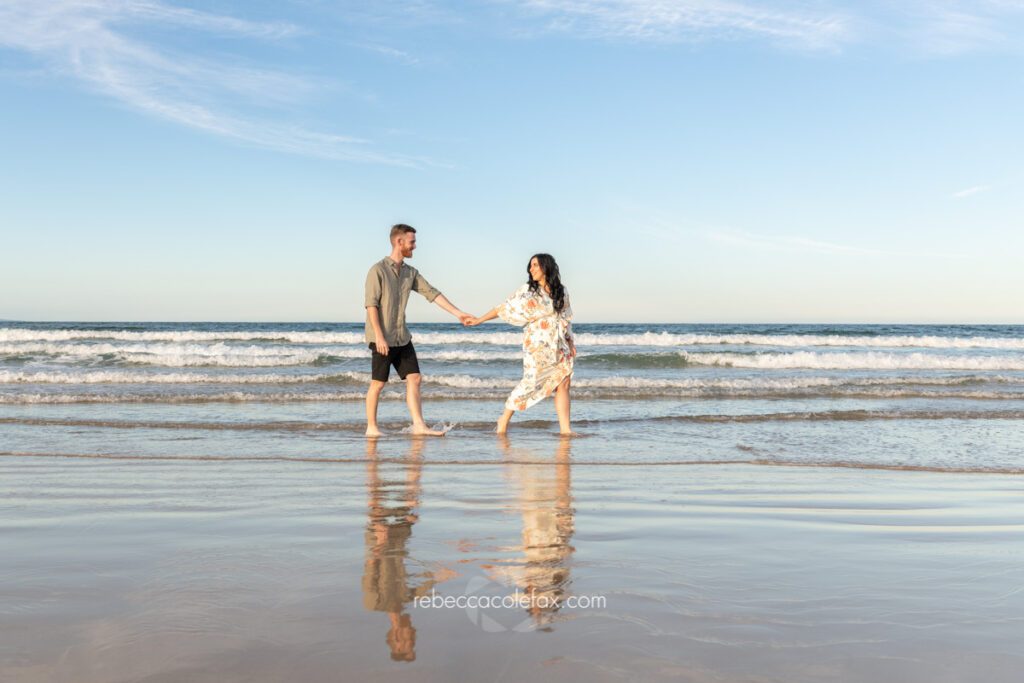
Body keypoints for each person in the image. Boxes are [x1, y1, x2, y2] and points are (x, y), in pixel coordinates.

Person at [365, 224, 472, 437]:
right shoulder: (377, 270)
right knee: (378, 383)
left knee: (415, 378)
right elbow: (371, 305)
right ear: (399, 242)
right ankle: (371, 428)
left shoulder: (410, 273)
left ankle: (419, 426)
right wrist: (379, 336)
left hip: (402, 337)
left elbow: (432, 293)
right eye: (412, 242)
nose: (415, 245)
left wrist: (458, 313)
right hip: (382, 337)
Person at [467, 254, 577, 435]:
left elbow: (566, 317)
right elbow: (503, 307)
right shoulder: (528, 290)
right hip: (537, 343)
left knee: (564, 382)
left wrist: (570, 342)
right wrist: (479, 320)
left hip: (559, 343)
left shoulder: (561, 290)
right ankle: (504, 419)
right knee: (530, 382)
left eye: (535, 265)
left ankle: (565, 429)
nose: (531, 269)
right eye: (530, 266)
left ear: (546, 267)